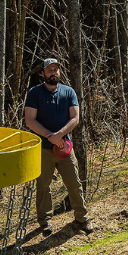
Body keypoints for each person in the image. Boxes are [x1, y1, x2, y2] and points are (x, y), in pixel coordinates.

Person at [25, 58, 94, 236]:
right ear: (43, 73)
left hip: (65, 148)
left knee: (74, 184)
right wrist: (51, 136)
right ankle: (44, 221)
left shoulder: (68, 92)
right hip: (43, 149)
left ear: (60, 72)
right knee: (43, 185)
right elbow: (30, 120)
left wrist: (60, 136)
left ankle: (82, 218)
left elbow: (75, 118)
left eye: (56, 69)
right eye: (49, 70)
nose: (53, 72)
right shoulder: (34, 93)